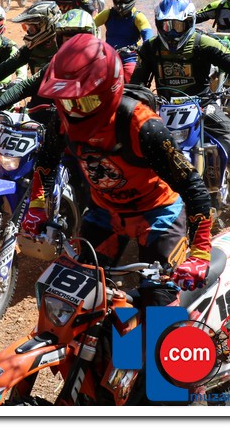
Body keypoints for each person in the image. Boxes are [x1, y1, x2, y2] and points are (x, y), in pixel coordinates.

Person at [30, 36, 214, 306]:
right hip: (106, 212)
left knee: (160, 301)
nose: (75, 111)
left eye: (86, 102)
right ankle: (118, 330)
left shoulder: (143, 126)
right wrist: (36, 207)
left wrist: (200, 254)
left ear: (110, 91)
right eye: (68, 101)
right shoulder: (62, 120)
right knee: (78, 296)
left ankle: (168, 329)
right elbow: (46, 163)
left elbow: (193, 187)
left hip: (157, 213)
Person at [131, 0, 230, 218]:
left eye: (177, 26)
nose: (171, 32)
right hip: (164, 108)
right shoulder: (150, 48)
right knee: (138, 149)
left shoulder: (202, 42)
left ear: (189, 23)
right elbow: (137, 82)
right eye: (166, 26)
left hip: (203, 104)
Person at [0, 1, 62, 122]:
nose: (28, 32)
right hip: (39, 99)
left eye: (31, 28)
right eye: (26, 28)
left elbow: (28, 84)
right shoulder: (31, 48)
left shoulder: (62, 49)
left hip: (63, 103)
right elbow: (7, 66)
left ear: (46, 25)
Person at [94, 0, 154, 81]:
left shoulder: (138, 17)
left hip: (129, 57)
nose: (120, 1)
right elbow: (90, 24)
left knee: (132, 77)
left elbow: (148, 35)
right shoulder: (108, 14)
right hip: (108, 56)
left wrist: (145, 47)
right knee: (95, 76)